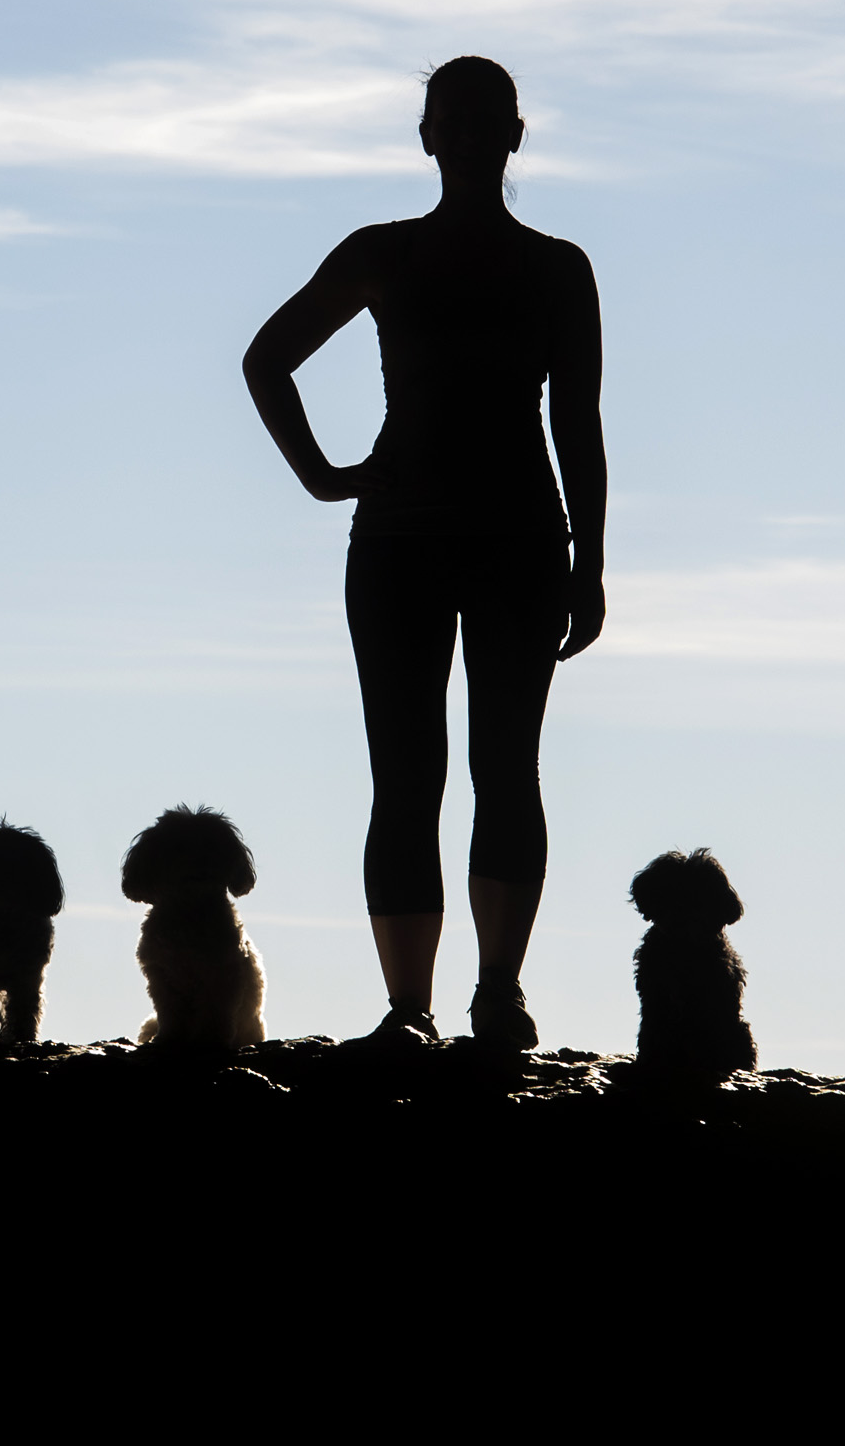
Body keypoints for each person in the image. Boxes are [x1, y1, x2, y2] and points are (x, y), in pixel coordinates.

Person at [242, 56, 605, 1048]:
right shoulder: (548, 268)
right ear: (505, 136)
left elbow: (267, 358)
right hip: (505, 536)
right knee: (488, 769)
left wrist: (325, 477)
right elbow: (576, 424)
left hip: (430, 535)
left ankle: (431, 1007)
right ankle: (481, 998)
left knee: (423, 774)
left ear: (435, 136)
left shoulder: (395, 254)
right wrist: (590, 558)